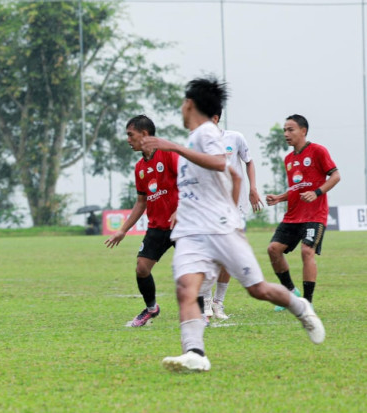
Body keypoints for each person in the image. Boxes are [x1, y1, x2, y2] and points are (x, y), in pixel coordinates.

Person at [142, 76, 324, 372]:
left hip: (219, 228)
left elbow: (218, 163)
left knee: (258, 289)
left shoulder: (206, 133)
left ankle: (301, 307)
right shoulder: (194, 139)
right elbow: (232, 177)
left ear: (190, 104)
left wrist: (171, 147)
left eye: (183, 102)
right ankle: (195, 353)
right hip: (191, 229)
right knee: (187, 289)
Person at [105, 115, 179, 327]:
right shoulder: (139, 167)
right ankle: (151, 309)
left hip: (181, 224)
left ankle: (201, 313)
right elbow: (141, 202)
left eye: (131, 134)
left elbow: (190, 183)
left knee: (187, 269)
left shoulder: (169, 154)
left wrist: (181, 209)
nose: (128, 139)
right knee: (141, 268)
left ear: (144, 134)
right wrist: (123, 230)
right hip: (157, 227)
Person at [265, 114, 340, 311]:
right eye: (284, 130)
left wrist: (317, 193)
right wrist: (280, 198)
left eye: (290, 130)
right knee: (273, 249)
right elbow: (296, 190)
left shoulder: (317, 151)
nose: (286, 134)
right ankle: (290, 291)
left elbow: (336, 176)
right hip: (293, 215)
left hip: (315, 215)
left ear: (303, 131)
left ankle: (307, 302)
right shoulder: (289, 159)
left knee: (307, 251)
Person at [200, 114, 263, 321]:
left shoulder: (235, 138)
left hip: (235, 207)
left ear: (215, 118)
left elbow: (249, 162)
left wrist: (252, 188)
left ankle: (218, 303)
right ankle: (207, 303)